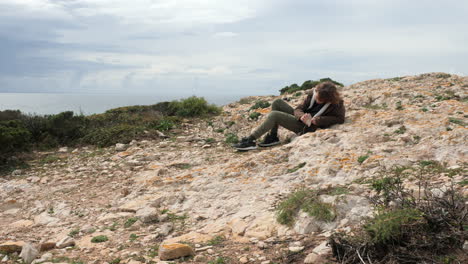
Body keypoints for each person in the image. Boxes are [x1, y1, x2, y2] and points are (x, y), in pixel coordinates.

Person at [233, 81, 345, 151]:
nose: (317, 100)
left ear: (328, 99)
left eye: (320, 100)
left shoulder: (337, 104)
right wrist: (301, 116)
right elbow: (298, 109)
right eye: (317, 97)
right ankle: (273, 137)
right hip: (302, 120)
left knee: (274, 115)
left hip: (308, 127)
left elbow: (340, 119)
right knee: (277, 102)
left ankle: (250, 140)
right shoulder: (313, 95)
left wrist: (316, 120)